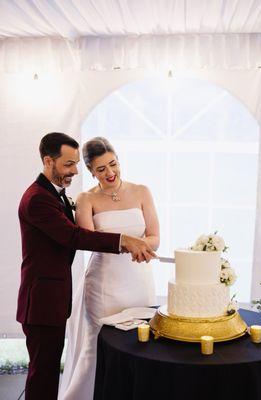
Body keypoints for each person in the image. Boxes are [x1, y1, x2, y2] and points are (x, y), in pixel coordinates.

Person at [16, 132, 157, 400]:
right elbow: (74, 236)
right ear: (48, 161)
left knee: (45, 372)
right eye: (69, 164)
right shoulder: (38, 198)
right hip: (42, 301)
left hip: (54, 298)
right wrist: (125, 240)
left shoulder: (54, 194)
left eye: (76, 163)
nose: (74, 170)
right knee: (42, 373)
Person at [58, 137, 160, 400]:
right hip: (105, 285)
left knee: (140, 343)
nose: (110, 173)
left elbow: (154, 236)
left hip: (139, 279)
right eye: (101, 169)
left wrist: (142, 246)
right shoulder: (85, 199)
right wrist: (129, 244)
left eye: (113, 164)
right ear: (91, 171)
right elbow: (89, 240)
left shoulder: (141, 191)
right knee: (99, 345)